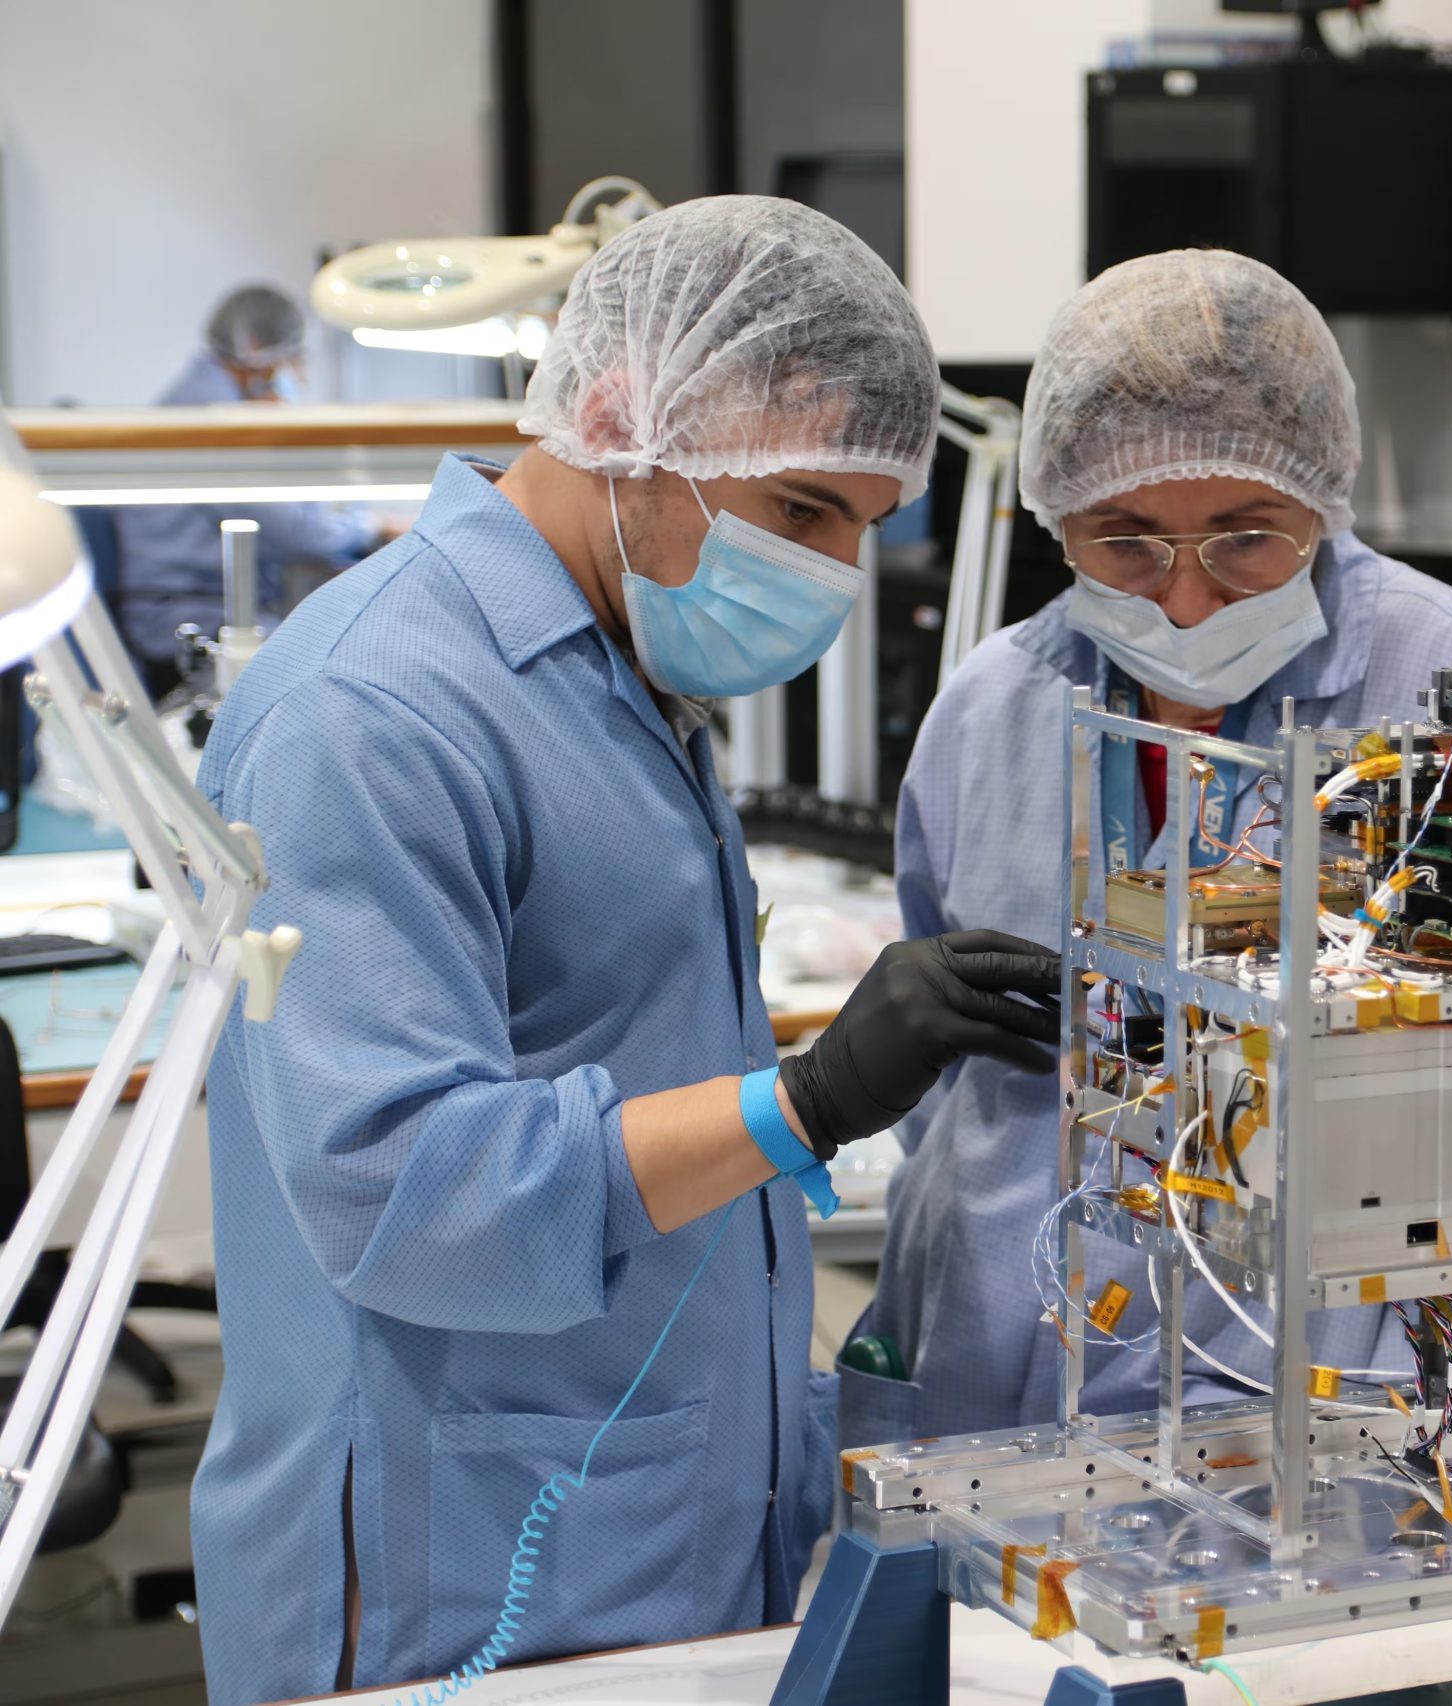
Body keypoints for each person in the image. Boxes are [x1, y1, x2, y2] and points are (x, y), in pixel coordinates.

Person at [187, 198, 1058, 1704]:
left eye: (861, 524)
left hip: (656, 1515)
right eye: (801, 513)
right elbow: (397, 1185)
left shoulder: (611, 674)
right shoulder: (374, 711)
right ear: (615, 419)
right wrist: (805, 1101)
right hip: (451, 1562)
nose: (837, 576)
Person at [849, 249, 1452, 1450]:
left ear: (1321, 503)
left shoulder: (1435, 686)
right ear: (1057, 516)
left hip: (1292, 1407)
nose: (1184, 602)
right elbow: (945, 1096)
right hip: (991, 1366)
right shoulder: (993, 708)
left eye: (1245, 539)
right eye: (1124, 541)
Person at [114, 285, 380, 696]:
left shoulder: (214, 402)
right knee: (346, 658)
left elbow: (295, 517)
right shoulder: (212, 418)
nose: (298, 375)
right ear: (259, 353)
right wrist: (372, 526)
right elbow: (300, 535)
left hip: (206, 607)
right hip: (187, 619)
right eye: (294, 359)